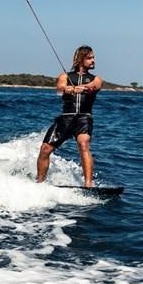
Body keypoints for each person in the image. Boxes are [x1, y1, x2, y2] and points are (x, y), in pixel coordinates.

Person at [36, 45, 102, 187]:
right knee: (45, 149)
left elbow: (94, 86)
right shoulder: (65, 76)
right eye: (90, 58)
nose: (93, 60)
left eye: (93, 58)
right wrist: (71, 89)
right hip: (65, 118)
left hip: (84, 118)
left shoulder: (96, 79)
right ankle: (39, 182)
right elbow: (60, 88)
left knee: (83, 143)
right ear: (80, 59)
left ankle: (88, 184)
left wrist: (83, 88)